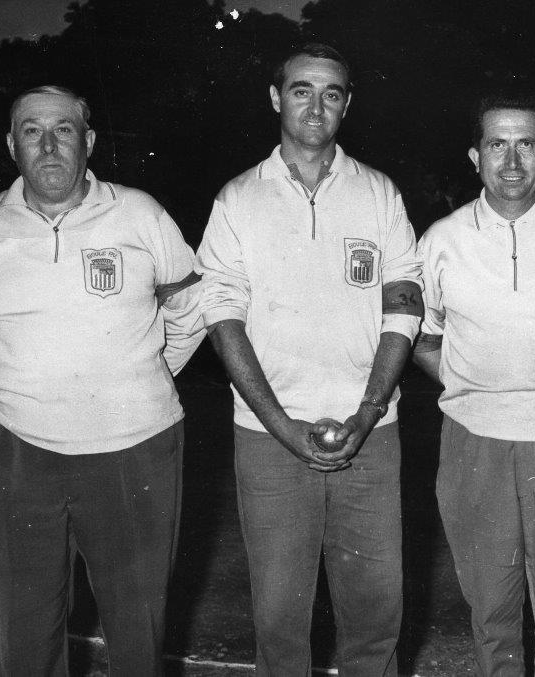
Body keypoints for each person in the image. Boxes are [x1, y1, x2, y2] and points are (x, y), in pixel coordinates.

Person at [0, 85, 204, 675]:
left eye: (64, 129)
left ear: (88, 141)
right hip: (18, 447)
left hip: (134, 445)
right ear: (12, 146)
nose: (49, 144)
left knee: (138, 625)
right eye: (32, 131)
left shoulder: (139, 212)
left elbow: (191, 308)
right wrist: (26, 388)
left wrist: (140, 377)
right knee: (25, 623)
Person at [195, 43, 423, 676]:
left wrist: (369, 409)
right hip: (269, 438)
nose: (316, 105)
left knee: (376, 615)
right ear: (276, 98)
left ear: (347, 104)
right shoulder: (237, 199)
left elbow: (402, 306)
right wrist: (281, 425)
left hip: (370, 434)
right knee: (279, 621)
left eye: (331, 93)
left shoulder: (379, 193)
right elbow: (222, 320)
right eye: (301, 90)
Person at [413, 95, 535, 675]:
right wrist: (477, 384)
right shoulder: (442, 240)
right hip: (476, 442)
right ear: (476, 155)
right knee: (491, 608)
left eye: (526, 144)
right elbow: (423, 338)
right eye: (497, 144)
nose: (511, 160)